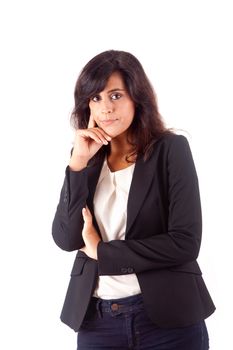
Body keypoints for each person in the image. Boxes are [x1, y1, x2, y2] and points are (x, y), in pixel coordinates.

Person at [52, 50, 215, 350]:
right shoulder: (86, 160)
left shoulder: (170, 149)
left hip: (169, 321)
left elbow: (185, 242)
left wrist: (104, 252)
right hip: (98, 322)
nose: (105, 109)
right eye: (96, 98)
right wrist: (76, 164)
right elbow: (65, 237)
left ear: (137, 98)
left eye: (115, 95)